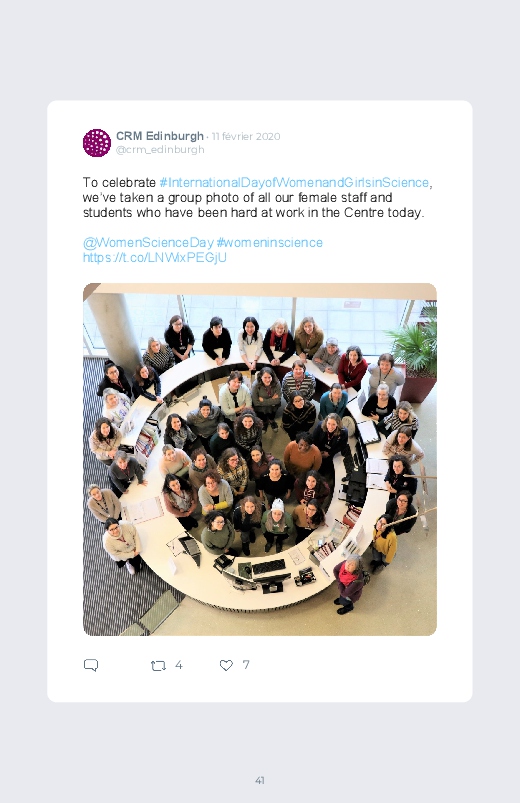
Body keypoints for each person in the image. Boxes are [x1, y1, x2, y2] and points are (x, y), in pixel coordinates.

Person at [251, 366, 282, 431]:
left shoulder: (277, 383)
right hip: (260, 408)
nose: (267, 380)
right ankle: (264, 423)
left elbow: (278, 400)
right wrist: (272, 399)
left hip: (273, 407)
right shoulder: (255, 385)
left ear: (272, 377)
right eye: (265, 377)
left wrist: (263, 400)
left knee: (272, 415)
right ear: (261, 377)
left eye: (269, 377)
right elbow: (256, 402)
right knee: (262, 417)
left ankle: (271, 421)